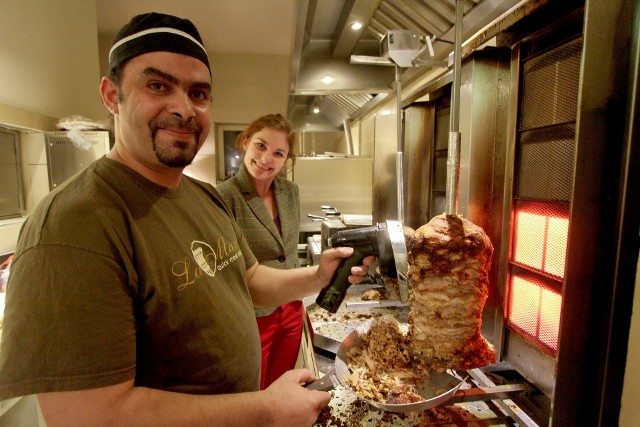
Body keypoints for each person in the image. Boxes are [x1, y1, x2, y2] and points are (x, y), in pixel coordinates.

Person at [0, 12, 373, 426]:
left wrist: (317, 276)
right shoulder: (71, 226)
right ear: (111, 95)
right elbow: (89, 417)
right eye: (157, 85)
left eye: (198, 94)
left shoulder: (200, 196)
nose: (183, 108)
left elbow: (249, 280)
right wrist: (264, 409)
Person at [216, 114, 312, 390]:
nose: (266, 158)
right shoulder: (225, 196)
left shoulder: (290, 191)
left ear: (286, 160)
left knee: (282, 384)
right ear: (246, 143)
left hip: (292, 307)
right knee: (253, 389)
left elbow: (289, 251)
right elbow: (225, 265)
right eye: (260, 145)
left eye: (278, 153)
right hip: (254, 313)